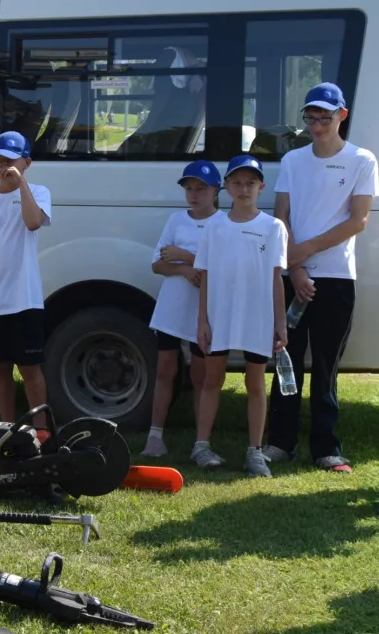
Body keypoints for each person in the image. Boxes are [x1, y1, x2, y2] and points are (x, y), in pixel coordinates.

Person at [264, 83, 379, 473]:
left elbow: (358, 221)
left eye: (324, 119)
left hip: (335, 278)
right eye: (310, 118)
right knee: (285, 360)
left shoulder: (362, 159)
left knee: (326, 366)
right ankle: (279, 442)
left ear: (341, 116)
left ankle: (326, 449)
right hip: (292, 275)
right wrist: (294, 269)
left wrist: (306, 252)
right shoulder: (294, 161)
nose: (316, 126)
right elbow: (281, 215)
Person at [191, 155, 289, 477]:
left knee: (255, 382)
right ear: (226, 187)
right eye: (237, 182)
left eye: (250, 183)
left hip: (256, 319)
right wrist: (203, 320)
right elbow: (204, 275)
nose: (244, 189)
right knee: (212, 380)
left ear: (261, 186)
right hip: (220, 317)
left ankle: (255, 452)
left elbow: (276, 278)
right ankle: (201, 445)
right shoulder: (214, 225)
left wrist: (279, 322)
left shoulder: (273, 227)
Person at [0, 131, 51, 431]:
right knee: (0, 369)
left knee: (30, 368)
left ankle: (41, 431)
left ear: (27, 162)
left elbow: (32, 222)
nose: (3, 167)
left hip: (24, 298)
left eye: (10, 160)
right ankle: (7, 430)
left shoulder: (38, 192)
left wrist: (21, 185)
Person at [140, 160, 224, 458]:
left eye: (201, 188)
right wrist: (185, 270)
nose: (194, 194)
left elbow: (221, 267)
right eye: (189, 188)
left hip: (204, 311)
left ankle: (201, 443)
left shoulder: (223, 223)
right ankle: (155, 436)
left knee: (202, 376)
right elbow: (158, 264)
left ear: (216, 190)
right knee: (165, 370)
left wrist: (184, 257)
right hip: (171, 309)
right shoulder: (176, 220)